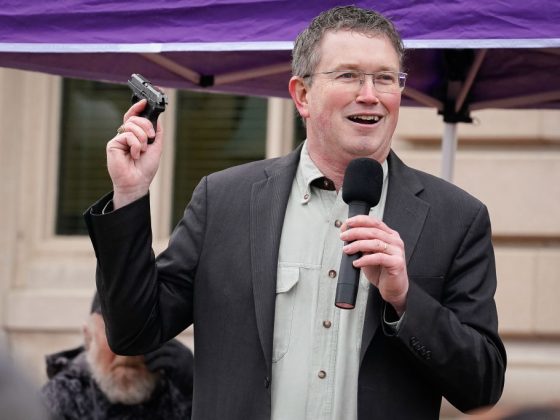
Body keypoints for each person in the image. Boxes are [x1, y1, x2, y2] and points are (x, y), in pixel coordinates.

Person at [84, 5, 507, 420]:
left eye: (385, 78)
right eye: (348, 75)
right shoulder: (225, 200)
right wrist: (130, 194)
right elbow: (133, 331)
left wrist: (405, 300)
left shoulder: (456, 218)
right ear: (302, 95)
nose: (370, 95)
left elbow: (482, 387)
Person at [41, 293, 193, 420]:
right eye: (115, 334)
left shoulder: (177, 389)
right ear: (89, 338)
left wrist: (198, 387)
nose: (128, 353)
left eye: (140, 333)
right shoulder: (63, 397)